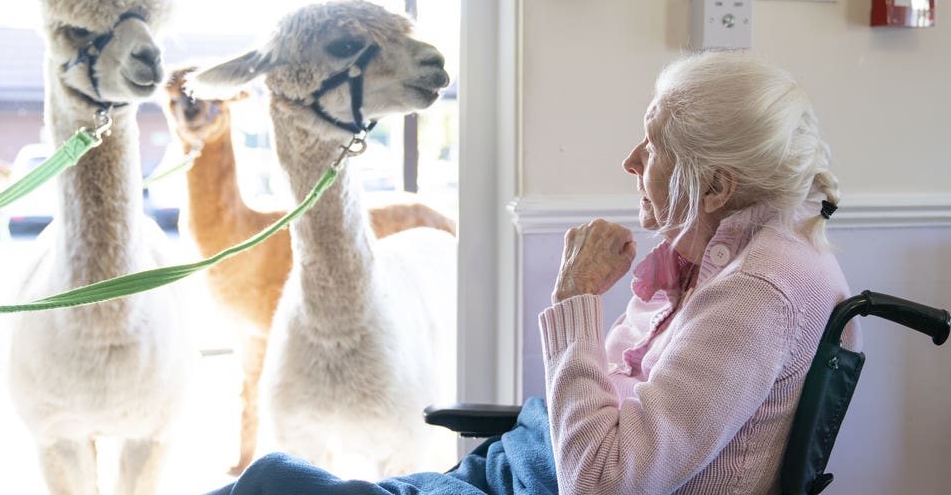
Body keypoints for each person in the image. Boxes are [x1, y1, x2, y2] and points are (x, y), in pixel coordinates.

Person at [203, 50, 859, 495]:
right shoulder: (743, 253)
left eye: (655, 147)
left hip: (545, 479)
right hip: (522, 463)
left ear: (716, 185)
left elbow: (603, 481)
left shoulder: (755, 298)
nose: (632, 161)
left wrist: (575, 299)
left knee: (267, 481)